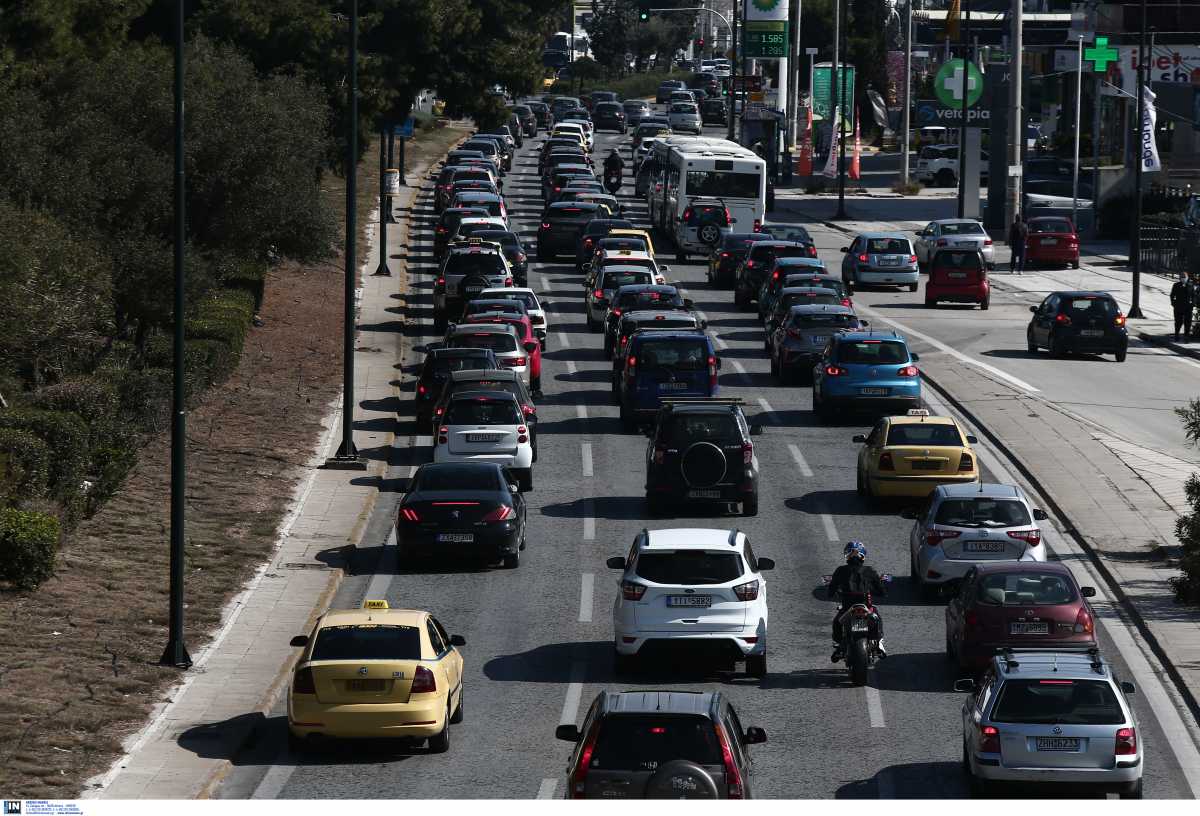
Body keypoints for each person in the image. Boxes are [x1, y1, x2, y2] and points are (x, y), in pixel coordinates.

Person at [827, 540, 887, 661]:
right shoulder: (870, 570)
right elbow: (882, 592)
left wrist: (833, 592)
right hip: (866, 607)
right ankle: (879, 643)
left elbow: (830, 592)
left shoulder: (840, 570)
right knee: (877, 617)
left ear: (846, 555)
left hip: (847, 609)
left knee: (837, 622)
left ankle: (839, 646)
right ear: (863, 556)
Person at [1171, 272, 1194, 340]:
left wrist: (1192, 304)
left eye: (1184, 277)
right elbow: (1172, 295)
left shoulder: (1190, 285)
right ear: (1180, 278)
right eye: (1182, 277)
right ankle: (1176, 334)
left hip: (1188, 307)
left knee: (1188, 322)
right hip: (1178, 306)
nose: (1183, 278)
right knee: (1178, 321)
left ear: (1187, 278)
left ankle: (1186, 336)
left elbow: (1193, 295)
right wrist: (1173, 303)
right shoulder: (1176, 285)